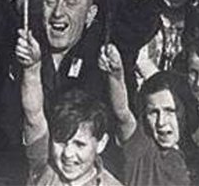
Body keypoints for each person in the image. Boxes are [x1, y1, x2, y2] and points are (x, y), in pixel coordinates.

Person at [16, 29, 124, 186]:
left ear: (101, 143)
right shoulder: (44, 169)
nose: (68, 153)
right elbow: (33, 115)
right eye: (60, 141)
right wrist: (31, 68)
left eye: (79, 144)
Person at [98, 48, 190, 186]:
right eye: (153, 112)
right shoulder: (143, 150)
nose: (161, 122)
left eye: (170, 111)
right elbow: (122, 112)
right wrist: (116, 75)